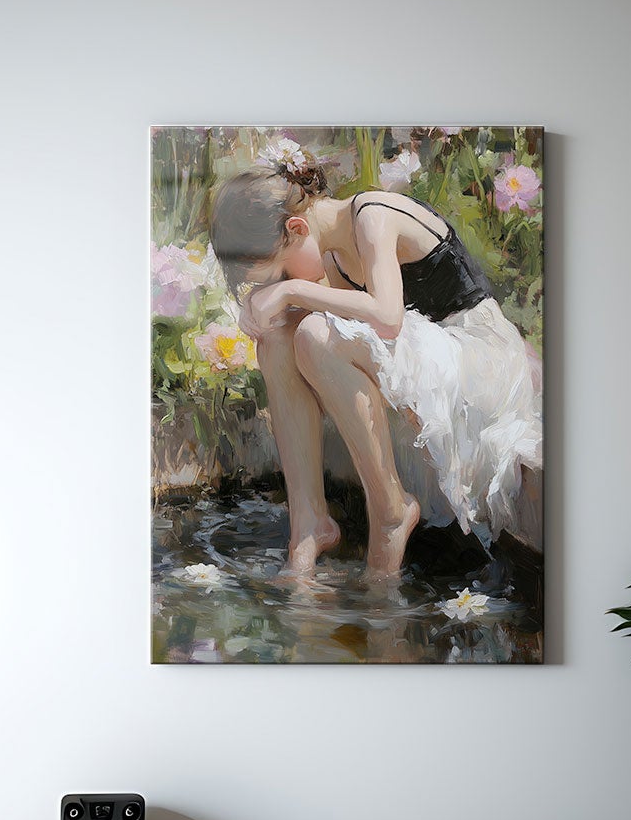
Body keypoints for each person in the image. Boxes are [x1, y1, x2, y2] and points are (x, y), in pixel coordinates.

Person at [209, 145, 542, 580]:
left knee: (313, 332)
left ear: (296, 227)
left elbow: (387, 317)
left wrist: (290, 293)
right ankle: (309, 523)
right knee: (276, 339)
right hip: (425, 354)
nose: (287, 283)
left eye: (280, 272)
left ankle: (390, 509)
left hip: (475, 356)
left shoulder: (371, 214)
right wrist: (270, 307)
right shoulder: (324, 253)